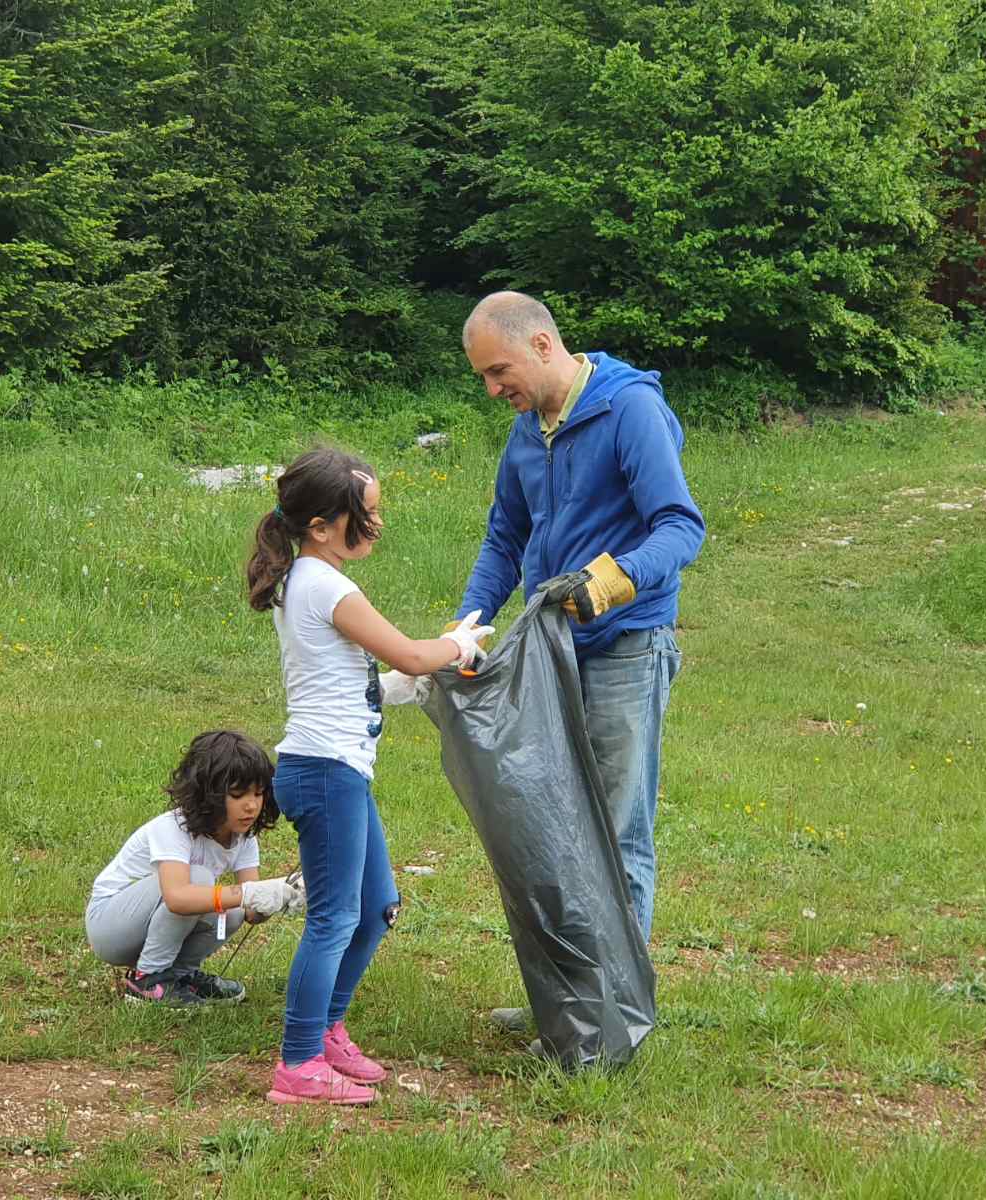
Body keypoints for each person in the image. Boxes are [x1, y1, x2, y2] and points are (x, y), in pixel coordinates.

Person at [457, 290, 705, 970]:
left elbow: (681, 527)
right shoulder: (528, 431)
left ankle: (613, 1012)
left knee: (616, 833)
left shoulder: (630, 409)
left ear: (542, 345)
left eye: (498, 370)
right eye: (483, 375)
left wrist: (609, 581)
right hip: (553, 655)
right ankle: (570, 999)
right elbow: (504, 540)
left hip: (627, 648)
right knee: (557, 831)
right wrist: (465, 629)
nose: (491, 387)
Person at [246, 446, 492, 1106]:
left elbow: (337, 679)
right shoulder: (326, 583)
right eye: (369, 512)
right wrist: (459, 647)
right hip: (325, 773)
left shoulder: (308, 579)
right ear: (323, 525)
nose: (378, 524)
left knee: (376, 908)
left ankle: (326, 1029)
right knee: (333, 919)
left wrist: (399, 683)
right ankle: (297, 1065)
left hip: (334, 769)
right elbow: (413, 651)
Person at [85, 729, 305, 1006]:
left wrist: (282, 893)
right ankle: (148, 979)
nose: (251, 806)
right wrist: (249, 892)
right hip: (110, 926)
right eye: (238, 795)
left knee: (232, 909)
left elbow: (250, 912)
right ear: (209, 794)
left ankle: (179, 976)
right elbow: (178, 898)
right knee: (199, 879)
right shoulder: (174, 827)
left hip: (152, 925)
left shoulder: (244, 838)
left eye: (259, 794)